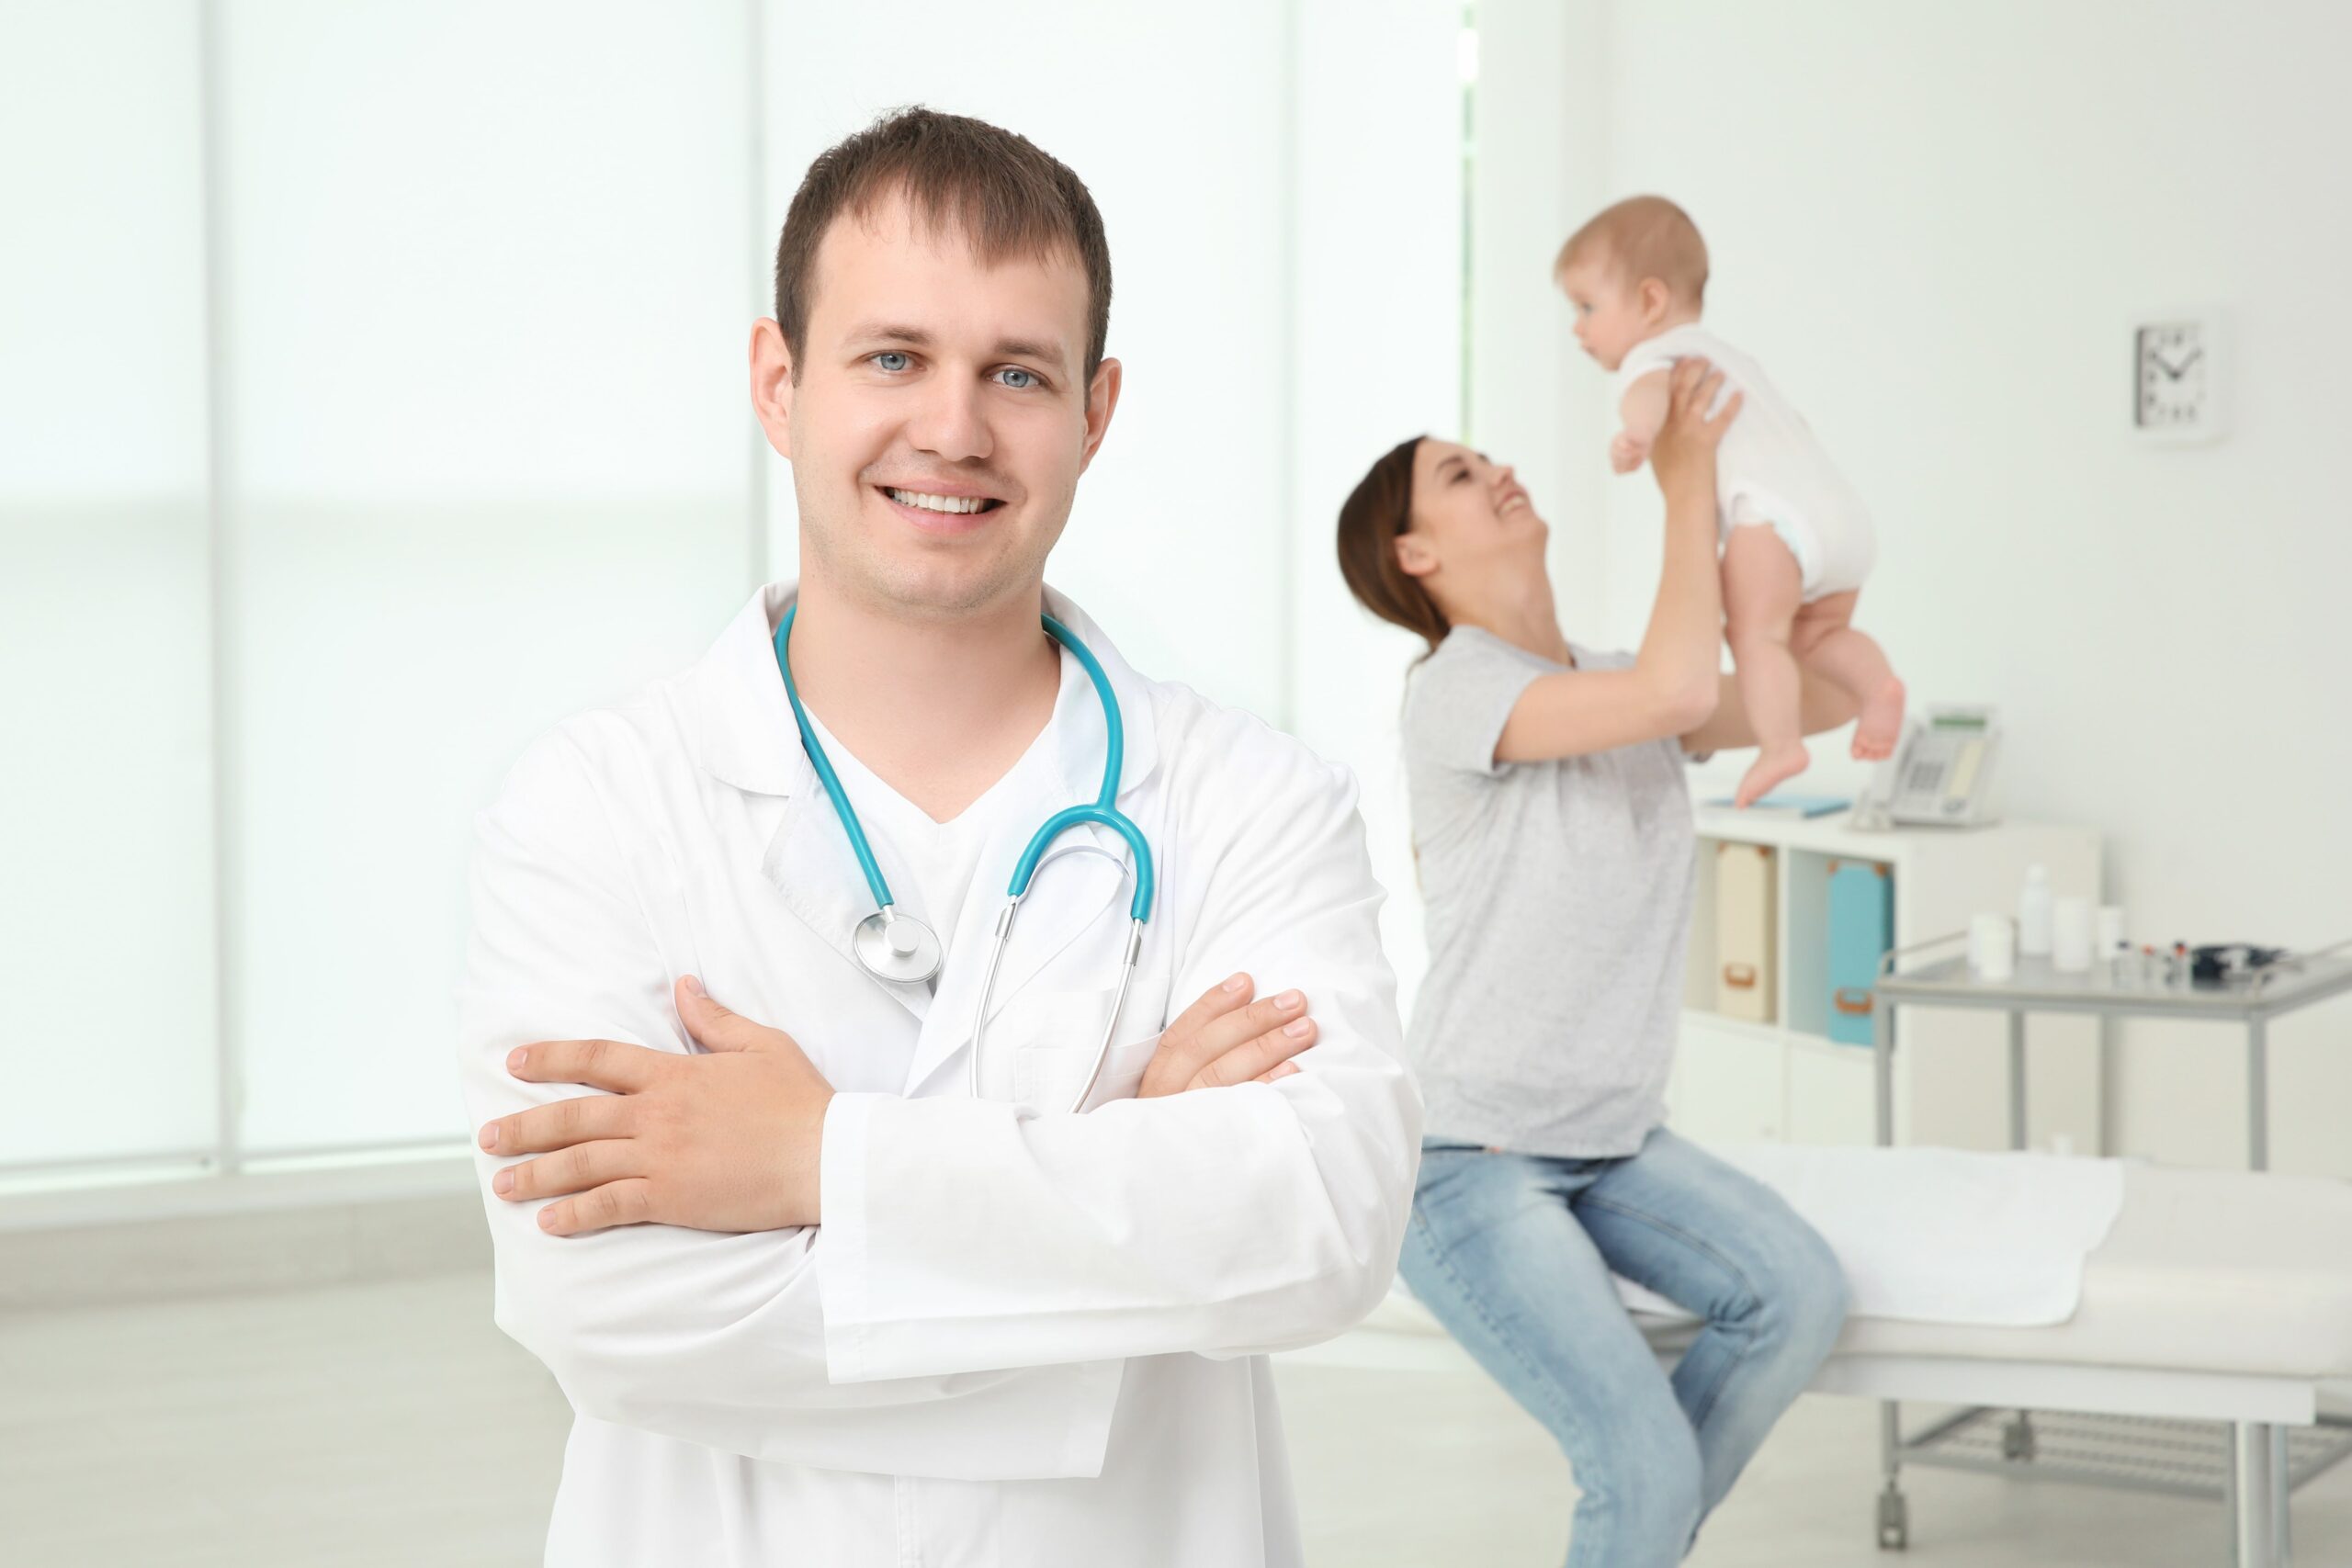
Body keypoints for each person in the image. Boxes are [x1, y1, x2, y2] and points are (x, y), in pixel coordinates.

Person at [457, 107, 1420, 1567]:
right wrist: (1126, 1188)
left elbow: (1322, 1227)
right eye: (893, 357)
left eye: (1017, 372)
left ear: (1094, 413)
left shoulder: (1252, 800)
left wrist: (818, 1158)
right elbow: (602, 1312)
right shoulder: (592, 806)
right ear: (779, 381)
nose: (954, 429)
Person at [1332, 361, 1854, 1568]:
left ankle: (1644, 1525)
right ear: (1414, 554)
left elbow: (1819, 695)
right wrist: (1686, 477)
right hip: (1470, 1159)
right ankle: (1645, 1507)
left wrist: (1800, 589)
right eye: (1460, 474)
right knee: (1640, 1464)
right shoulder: (1456, 691)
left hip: (1614, 1138)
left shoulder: (1617, 679)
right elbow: (1676, 690)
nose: (1497, 470)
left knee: (1796, 1293)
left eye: (1486, 457)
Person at [1558, 194, 1905, 807]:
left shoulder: (1652, 354)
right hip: (1843, 517)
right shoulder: (1735, 358)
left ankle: (1780, 745)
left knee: (1754, 634)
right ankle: (1877, 688)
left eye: (1587, 307)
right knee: (1818, 637)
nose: (1577, 329)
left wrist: (1637, 433)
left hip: (1773, 520)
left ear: (1650, 301)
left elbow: (1647, 395)